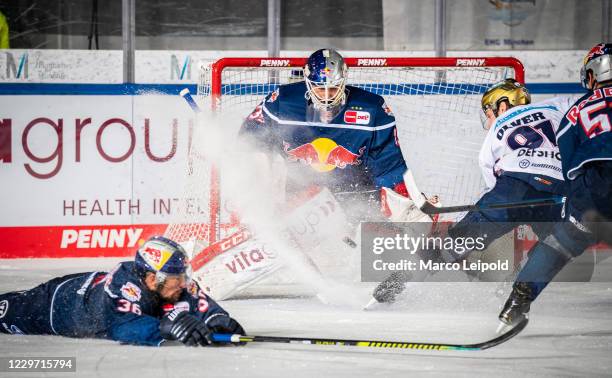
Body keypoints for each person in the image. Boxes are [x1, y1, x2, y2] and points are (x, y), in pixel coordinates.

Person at [370, 78, 577, 305]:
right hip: (560, 189)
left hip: (514, 187)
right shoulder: (555, 106)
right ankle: (516, 292)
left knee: (456, 243)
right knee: (553, 243)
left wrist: (466, 223)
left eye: (489, 112)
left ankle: (401, 279)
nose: (489, 120)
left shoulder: (497, 128)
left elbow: (494, 186)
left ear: (503, 105)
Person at [498, 43, 612, 328]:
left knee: (562, 240)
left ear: (592, 74)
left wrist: (574, 200)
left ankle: (517, 301)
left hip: (597, 188)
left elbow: (569, 159)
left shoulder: (578, 109)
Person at [0, 236, 244, 346]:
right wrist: (165, 327)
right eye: (176, 278)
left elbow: (198, 300)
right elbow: (123, 327)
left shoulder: (170, 284)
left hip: (85, 284)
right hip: (52, 306)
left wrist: (217, 318)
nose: (183, 283)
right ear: (151, 278)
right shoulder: (122, 289)